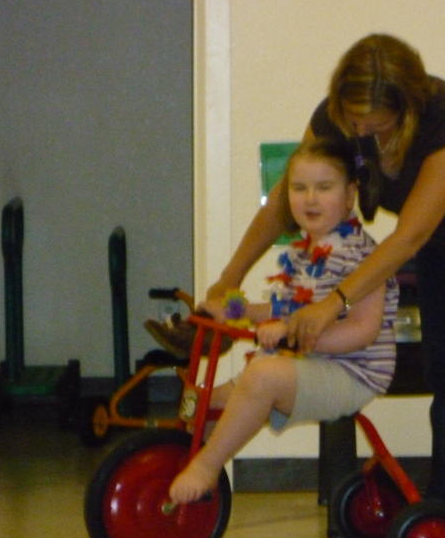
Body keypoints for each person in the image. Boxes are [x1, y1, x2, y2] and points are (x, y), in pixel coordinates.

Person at [184, 33, 445, 538]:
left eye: (375, 125)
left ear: (407, 108)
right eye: (353, 120)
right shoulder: (335, 118)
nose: (359, 133)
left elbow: (408, 237)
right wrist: (228, 280)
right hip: (444, 242)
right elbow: (282, 203)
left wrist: (331, 303)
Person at [168, 138, 399, 504]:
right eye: (299, 188)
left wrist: (292, 334)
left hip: (353, 372)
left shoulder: (360, 253)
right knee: (207, 404)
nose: (310, 199)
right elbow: (287, 310)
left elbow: (362, 331)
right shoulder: (307, 251)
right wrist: (237, 311)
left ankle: (206, 467)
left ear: (350, 195)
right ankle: (178, 479)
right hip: (310, 363)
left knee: (262, 376)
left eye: (324, 187)